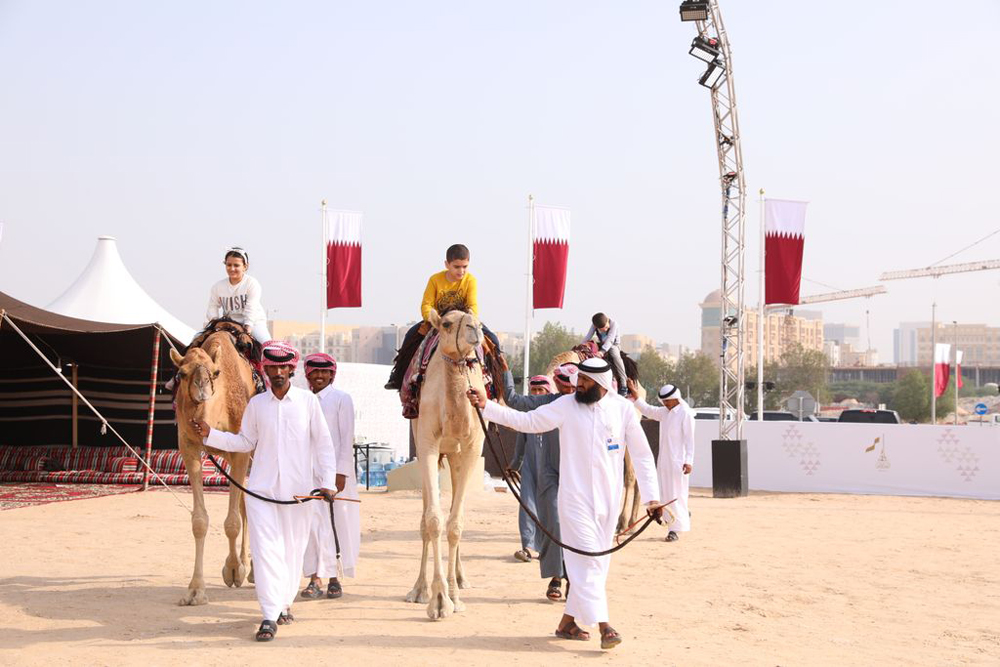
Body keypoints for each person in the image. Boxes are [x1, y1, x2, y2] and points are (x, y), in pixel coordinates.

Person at [469, 358, 662, 650]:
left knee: (596, 562)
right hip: (574, 500)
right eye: (578, 379)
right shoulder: (566, 406)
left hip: (609, 502)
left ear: (600, 385)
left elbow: (643, 456)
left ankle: (567, 622)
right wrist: (487, 406)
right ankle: (605, 626)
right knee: (586, 559)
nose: (578, 385)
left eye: (584, 382)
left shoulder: (623, 410)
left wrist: (652, 498)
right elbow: (528, 421)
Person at [189, 341, 339, 643]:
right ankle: (269, 615)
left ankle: (284, 603)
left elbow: (323, 444)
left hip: (299, 494)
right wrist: (211, 434)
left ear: (292, 370)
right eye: (273, 367)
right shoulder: (256, 405)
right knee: (266, 551)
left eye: (284, 367)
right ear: (266, 370)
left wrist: (328, 482)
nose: (279, 372)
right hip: (261, 492)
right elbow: (245, 442)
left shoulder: (308, 403)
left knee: (292, 552)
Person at [502, 365, 577, 601]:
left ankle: (575, 580)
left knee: (578, 530)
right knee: (553, 523)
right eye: (562, 382)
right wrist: (503, 370)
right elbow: (513, 401)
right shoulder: (550, 403)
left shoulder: (597, 404)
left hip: (581, 477)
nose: (566, 386)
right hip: (552, 474)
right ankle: (557, 576)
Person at [384, 243, 500, 390]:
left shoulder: (471, 280)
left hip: (463, 321)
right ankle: (397, 376)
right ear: (447, 264)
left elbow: (473, 305)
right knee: (410, 336)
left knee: (493, 340)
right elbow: (426, 304)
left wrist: (471, 317)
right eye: (457, 266)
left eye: (465, 266)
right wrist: (435, 319)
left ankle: (498, 381)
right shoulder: (435, 279)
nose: (461, 271)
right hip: (439, 320)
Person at [300, 353, 361, 600]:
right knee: (312, 525)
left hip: (336, 475)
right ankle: (315, 578)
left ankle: (335, 578)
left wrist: (341, 473)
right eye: (315, 372)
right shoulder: (302, 400)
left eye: (325, 372)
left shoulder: (341, 399)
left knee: (337, 524)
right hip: (307, 473)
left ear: (332, 375)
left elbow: (346, 439)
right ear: (307, 375)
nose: (320, 376)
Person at [628, 382, 695, 542]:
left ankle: (675, 530)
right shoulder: (665, 412)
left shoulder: (685, 413)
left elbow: (690, 440)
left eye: (667, 401)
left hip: (679, 462)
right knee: (664, 494)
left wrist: (689, 460)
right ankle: (676, 519)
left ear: (675, 398)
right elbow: (649, 410)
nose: (665, 404)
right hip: (664, 461)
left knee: (676, 494)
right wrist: (636, 396)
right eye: (663, 401)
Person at [508, 375, 552, 564]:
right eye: (533, 391)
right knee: (527, 504)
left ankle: (548, 549)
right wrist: (515, 464)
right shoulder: (528, 417)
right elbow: (521, 441)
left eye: (540, 391)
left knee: (550, 508)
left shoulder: (557, 413)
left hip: (552, 467)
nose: (536, 394)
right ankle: (528, 546)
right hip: (530, 465)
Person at [205, 247, 271, 344]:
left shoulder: (251, 283)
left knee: (268, 347)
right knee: (196, 340)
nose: (232, 268)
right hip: (229, 324)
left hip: (254, 323)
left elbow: (251, 308)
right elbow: (212, 307)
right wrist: (215, 324)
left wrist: (248, 327)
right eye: (229, 265)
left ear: (245, 266)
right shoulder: (218, 286)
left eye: (236, 265)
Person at [581, 313, 627, 396]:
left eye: (606, 327)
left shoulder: (614, 324)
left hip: (613, 345)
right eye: (602, 329)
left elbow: (610, 339)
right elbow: (588, 336)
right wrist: (581, 345)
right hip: (602, 344)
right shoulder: (594, 325)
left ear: (607, 321)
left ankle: (624, 384)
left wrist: (602, 351)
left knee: (615, 355)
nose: (605, 330)